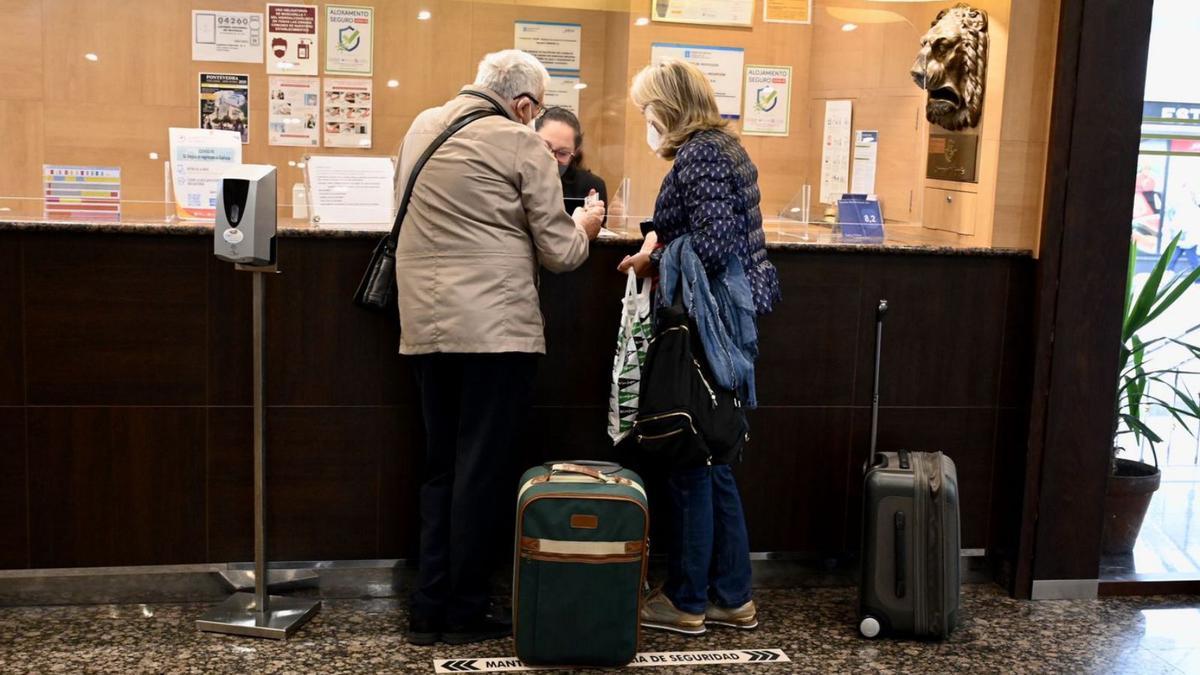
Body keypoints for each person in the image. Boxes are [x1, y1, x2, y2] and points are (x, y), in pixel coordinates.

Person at [392, 49, 606, 647]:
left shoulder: (421, 126)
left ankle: (428, 605)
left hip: (425, 326)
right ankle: (464, 609)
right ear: (523, 104)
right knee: (480, 473)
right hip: (495, 333)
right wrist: (585, 228)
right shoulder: (520, 143)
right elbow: (561, 253)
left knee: (440, 468)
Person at [619, 60, 780, 636]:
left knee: (691, 454)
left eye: (648, 110)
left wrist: (652, 258)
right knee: (714, 459)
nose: (647, 120)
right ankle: (731, 595)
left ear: (668, 107)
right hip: (726, 326)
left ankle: (687, 601)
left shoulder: (702, 154)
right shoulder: (723, 148)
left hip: (703, 329)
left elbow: (712, 244)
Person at [535, 107, 608, 223]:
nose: (552, 158)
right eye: (545, 147)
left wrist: (588, 224)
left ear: (575, 152)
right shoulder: (515, 176)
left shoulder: (591, 186)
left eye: (562, 153)